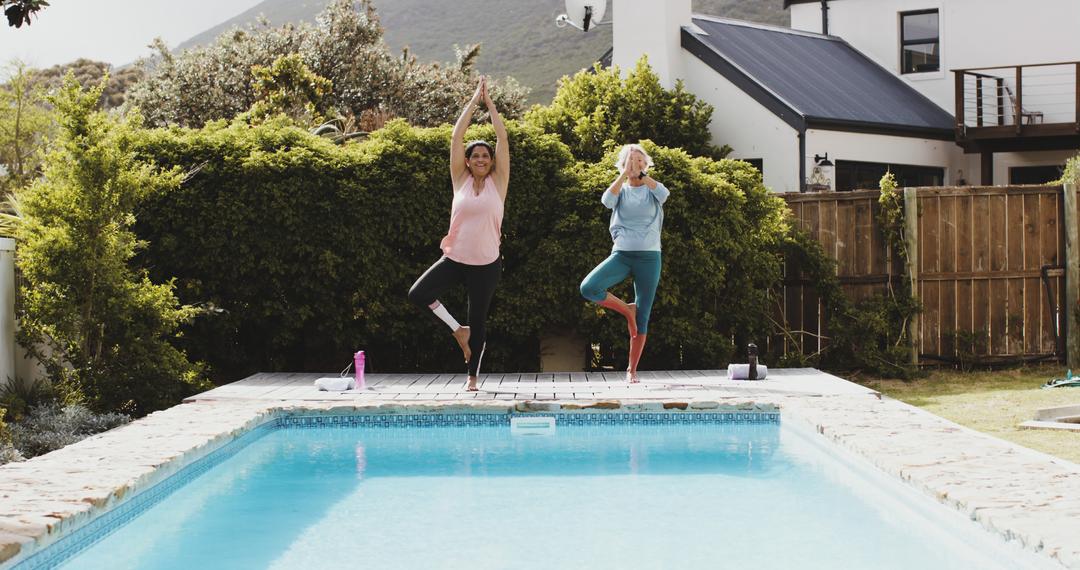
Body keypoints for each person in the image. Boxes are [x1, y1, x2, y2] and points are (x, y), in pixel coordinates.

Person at [408, 77, 509, 391]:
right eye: (475, 156)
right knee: (418, 294)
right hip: (455, 258)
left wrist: (490, 105)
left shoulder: (499, 182)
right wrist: (472, 102)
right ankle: (456, 330)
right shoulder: (459, 181)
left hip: (487, 263)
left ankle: (472, 378)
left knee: (478, 320)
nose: (481, 159)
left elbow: (502, 139)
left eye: (485, 156)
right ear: (467, 162)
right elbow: (456, 137)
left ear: (491, 163)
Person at [579, 143, 668, 384]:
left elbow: (664, 194)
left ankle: (632, 371)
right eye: (630, 160)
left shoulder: (652, 188)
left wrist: (642, 175)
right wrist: (623, 174)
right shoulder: (621, 190)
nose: (635, 164)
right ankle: (626, 309)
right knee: (589, 288)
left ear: (645, 164)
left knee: (643, 316)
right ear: (623, 165)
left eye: (639, 160)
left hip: (649, 257)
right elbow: (607, 201)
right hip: (622, 255)